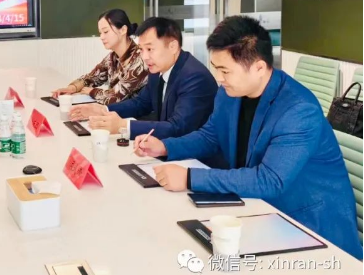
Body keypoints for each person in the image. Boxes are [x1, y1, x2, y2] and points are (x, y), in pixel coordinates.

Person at [135, 16, 362, 260]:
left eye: (225, 70)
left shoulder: (298, 110)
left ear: (259, 68)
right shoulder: (229, 92)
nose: (218, 78)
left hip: (310, 227)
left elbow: (269, 180)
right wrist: (165, 147)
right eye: (216, 68)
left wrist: (189, 177)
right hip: (259, 212)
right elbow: (210, 136)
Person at [70, 17, 218, 141]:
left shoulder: (194, 77)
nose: (145, 57)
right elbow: (141, 103)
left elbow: (177, 127)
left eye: (150, 49)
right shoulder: (157, 68)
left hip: (197, 159)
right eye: (141, 49)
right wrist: (103, 110)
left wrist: (123, 126)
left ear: (172, 46)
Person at [51, 9, 148, 105]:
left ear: (123, 30)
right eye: (100, 33)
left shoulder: (140, 58)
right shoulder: (112, 57)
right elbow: (91, 78)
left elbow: (117, 96)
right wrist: (71, 88)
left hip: (136, 114)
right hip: (115, 111)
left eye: (105, 32)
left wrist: (92, 91)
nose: (101, 37)